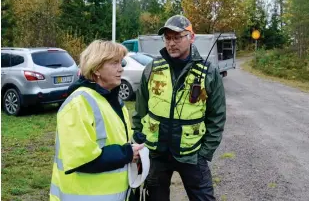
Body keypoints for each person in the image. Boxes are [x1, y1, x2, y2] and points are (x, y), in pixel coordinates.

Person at [132, 15, 226, 200]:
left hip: (192, 154)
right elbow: (140, 111)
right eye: (167, 38)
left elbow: (217, 116)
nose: (171, 43)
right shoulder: (152, 68)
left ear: (191, 37)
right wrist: (139, 140)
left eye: (177, 37)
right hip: (156, 154)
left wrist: (205, 152)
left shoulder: (208, 72)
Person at [49, 40, 144, 201]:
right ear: (97, 68)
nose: (121, 68)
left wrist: (135, 142)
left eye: (121, 63)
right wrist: (127, 153)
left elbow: (113, 139)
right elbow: (83, 160)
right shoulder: (78, 103)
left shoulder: (113, 100)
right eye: (114, 63)